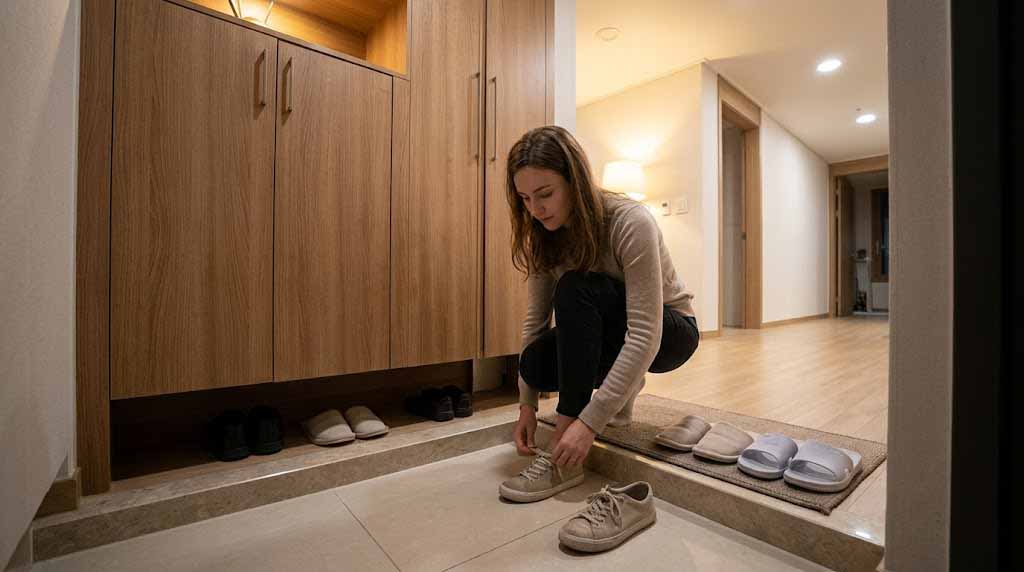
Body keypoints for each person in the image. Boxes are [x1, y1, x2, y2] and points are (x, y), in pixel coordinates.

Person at [497, 126, 700, 504]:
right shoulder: (542, 235)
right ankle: (618, 390)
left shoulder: (629, 221)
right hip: (609, 329)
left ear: (574, 180)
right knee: (536, 362)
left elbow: (645, 333)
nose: (536, 209)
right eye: (525, 199)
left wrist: (587, 422)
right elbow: (534, 324)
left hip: (671, 333)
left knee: (577, 286)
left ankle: (563, 451)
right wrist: (525, 405)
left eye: (545, 194)